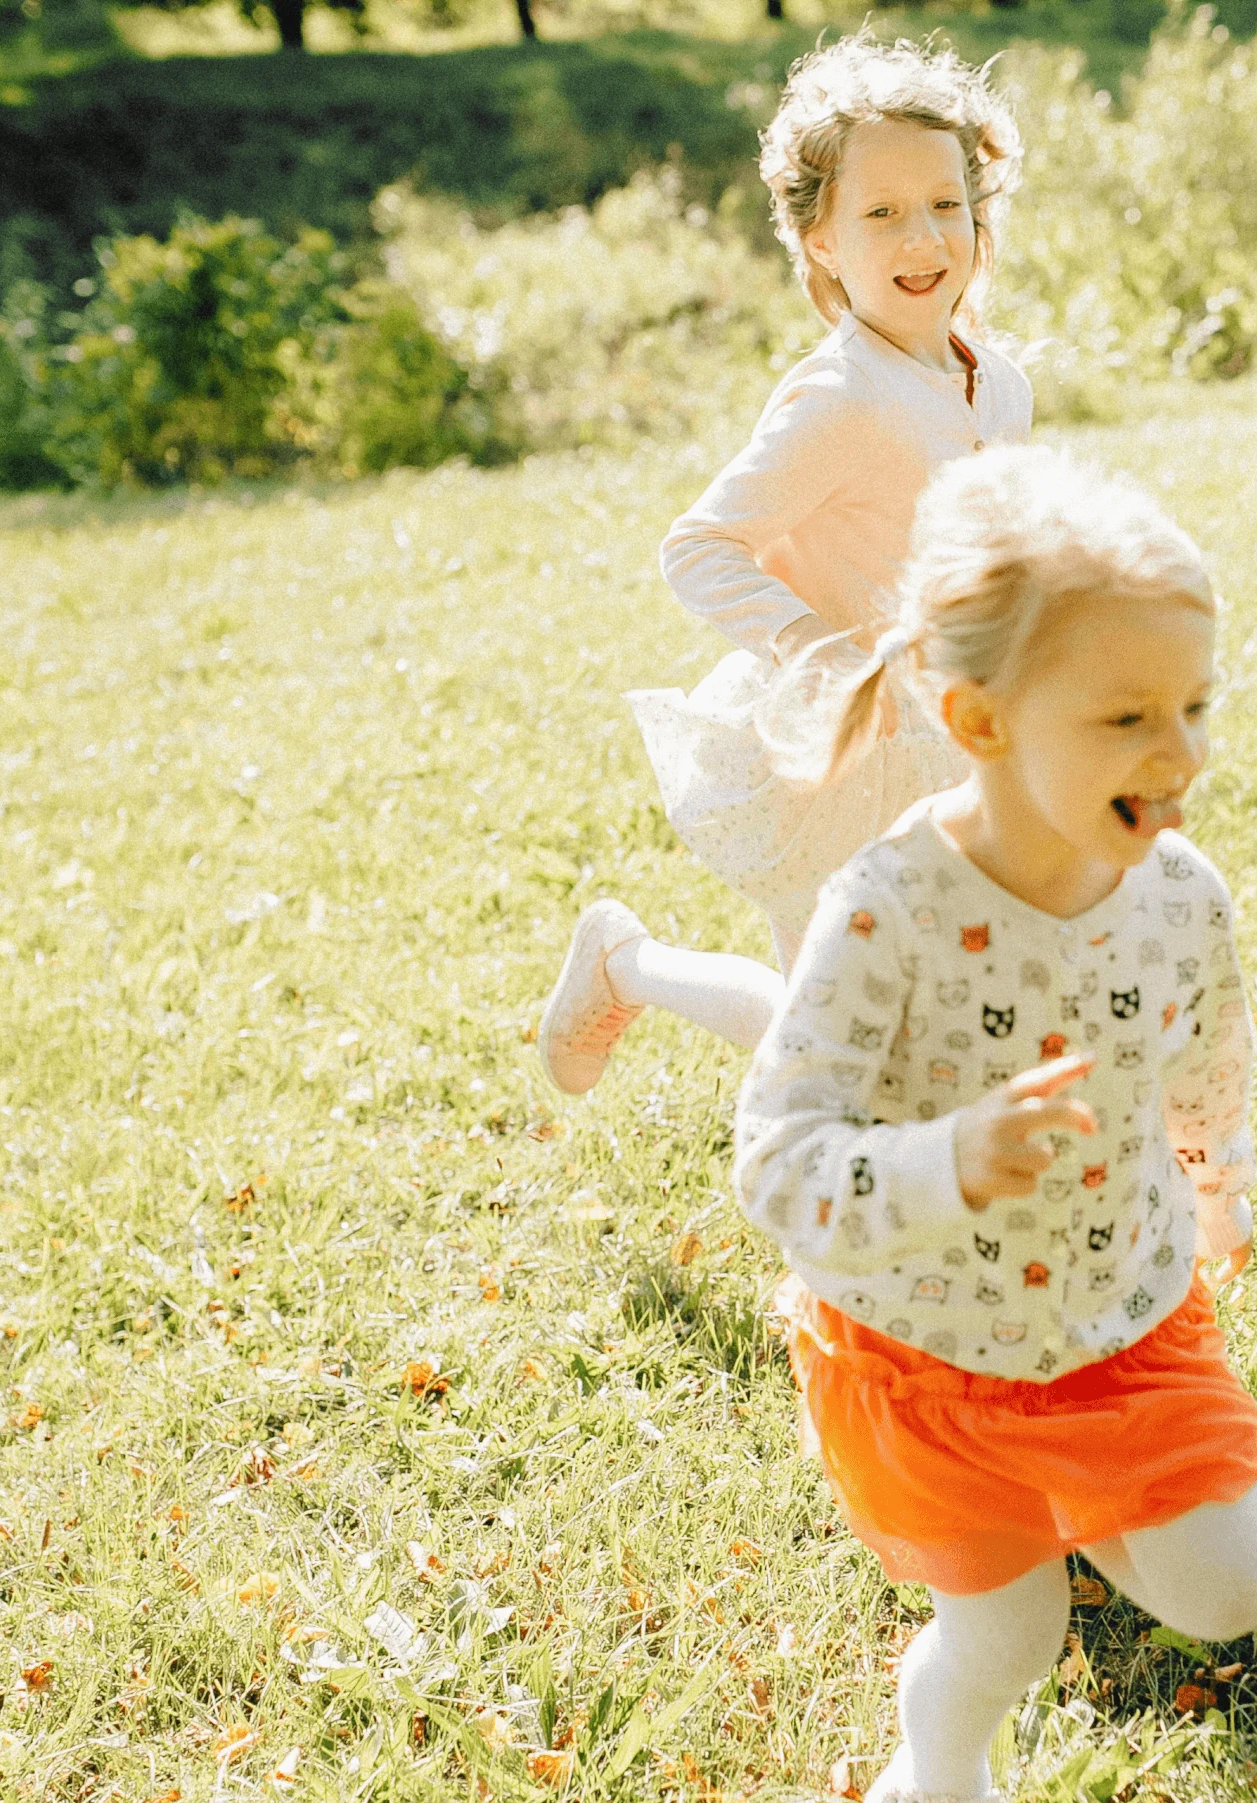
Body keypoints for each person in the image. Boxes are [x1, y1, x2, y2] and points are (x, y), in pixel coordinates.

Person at [732, 447, 1257, 1803]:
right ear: (976, 718)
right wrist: (946, 1163)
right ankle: (931, 1789)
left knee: (1241, 1582)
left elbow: (1210, 1052)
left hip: (1121, 1318)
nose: (1177, 755)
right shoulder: (891, 909)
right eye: (1125, 717)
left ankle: (1098, 1497)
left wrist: (1217, 1184)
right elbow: (778, 1154)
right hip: (928, 1351)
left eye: (1194, 707)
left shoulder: (1181, 891)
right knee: (1011, 1627)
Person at [535, 33, 1034, 1093]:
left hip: (948, 738)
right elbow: (699, 546)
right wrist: (819, 654)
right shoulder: (841, 395)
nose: (924, 237)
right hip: (837, 752)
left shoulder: (997, 383)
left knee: (957, 1006)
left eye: (946, 204)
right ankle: (626, 963)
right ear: (817, 237)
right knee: (832, 1041)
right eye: (882, 212)